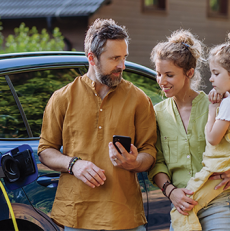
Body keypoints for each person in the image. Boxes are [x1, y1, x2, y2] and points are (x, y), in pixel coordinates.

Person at [38, 18, 157, 231]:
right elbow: (46, 150)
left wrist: (133, 162)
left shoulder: (139, 99)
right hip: (76, 215)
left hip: (124, 216)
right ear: (92, 58)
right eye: (114, 58)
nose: (122, 66)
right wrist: (74, 165)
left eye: (124, 58)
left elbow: (149, 153)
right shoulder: (62, 98)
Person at [149, 30, 230, 231]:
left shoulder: (219, 104)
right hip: (183, 207)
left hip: (219, 200)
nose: (162, 81)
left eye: (169, 75)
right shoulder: (157, 114)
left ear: (189, 73)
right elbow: (157, 162)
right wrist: (171, 192)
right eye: (159, 74)